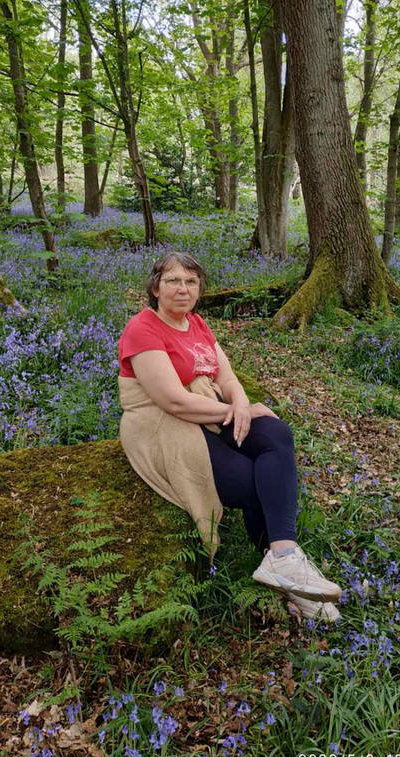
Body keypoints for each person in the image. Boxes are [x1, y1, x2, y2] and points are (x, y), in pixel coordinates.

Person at [118, 252, 341, 623]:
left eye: (191, 281)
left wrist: (241, 402)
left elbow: (227, 378)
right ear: (155, 287)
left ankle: (283, 557)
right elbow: (171, 400)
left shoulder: (198, 324)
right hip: (163, 425)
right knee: (252, 484)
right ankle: (287, 575)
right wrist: (234, 412)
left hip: (207, 411)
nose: (183, 289)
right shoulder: (143, 328)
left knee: (274, 432)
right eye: (173, 280)